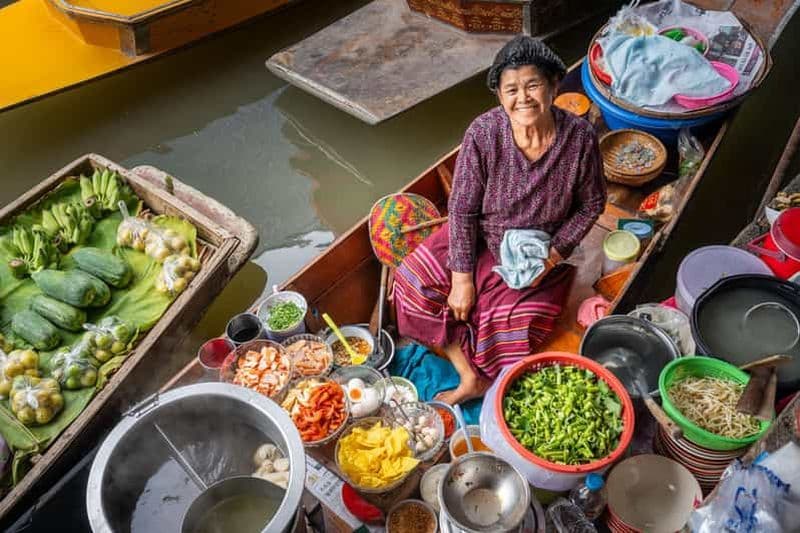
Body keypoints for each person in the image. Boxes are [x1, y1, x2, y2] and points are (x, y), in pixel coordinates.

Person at [392, 36, 606, 405]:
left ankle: (477, 366)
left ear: (554, 85)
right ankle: (468, 375)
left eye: (532, 85)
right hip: (479, 237)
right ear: (499, 96)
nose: (522, 97)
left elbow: (592, 205)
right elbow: (461, 210)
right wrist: (462, 278)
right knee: (412, 280)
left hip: (536, 250)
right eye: (511, 89)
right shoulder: (483, 133)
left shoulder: (580, 138)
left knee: (513, 323)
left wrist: (552, 256)